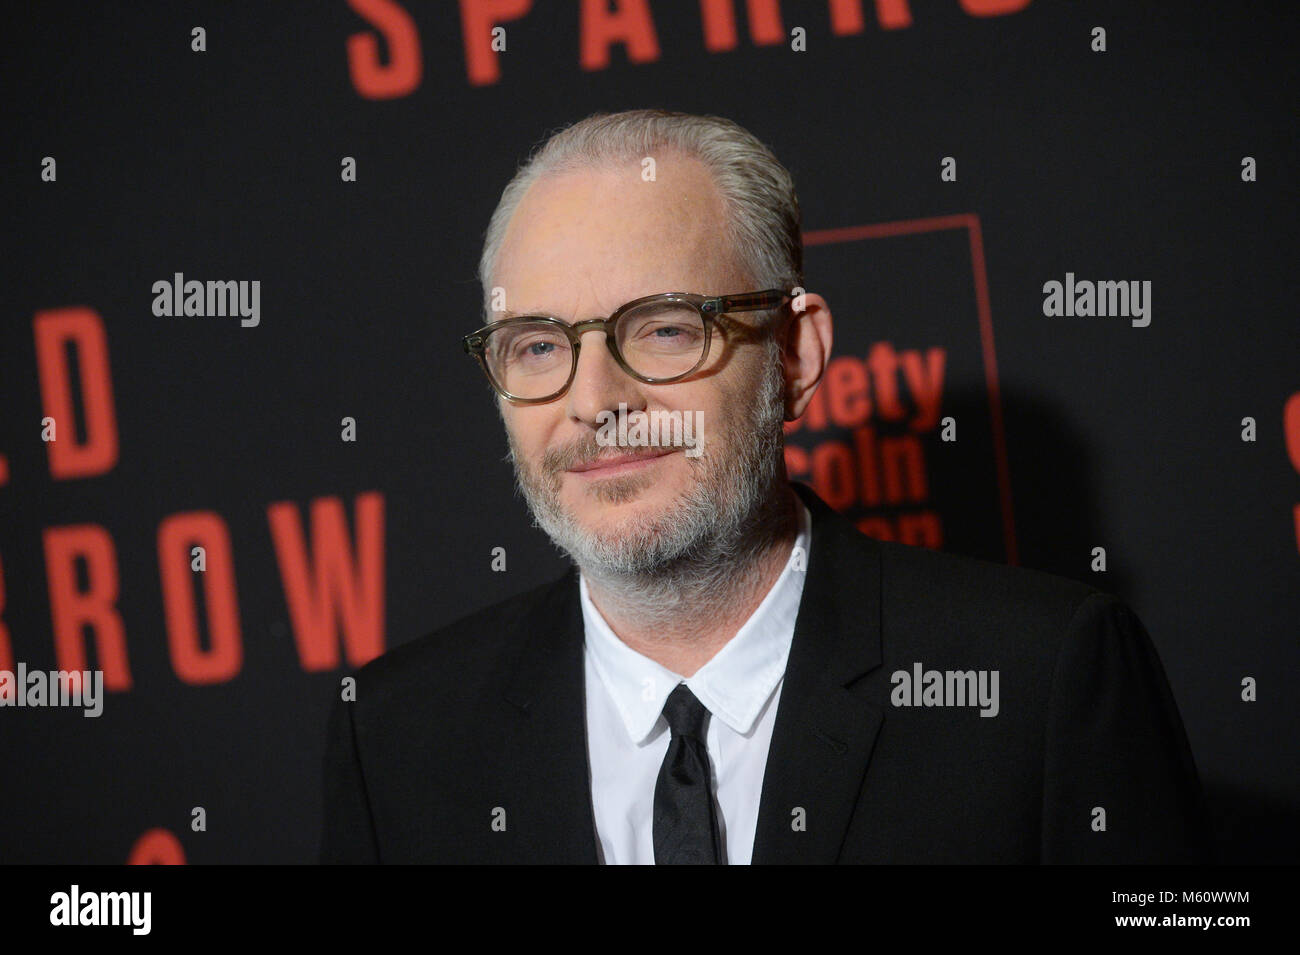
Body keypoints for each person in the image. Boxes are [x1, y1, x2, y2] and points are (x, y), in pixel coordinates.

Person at [319, 109, 1209, 864]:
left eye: (664, 329)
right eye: (540, 346)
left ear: (794, 355)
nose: (594, 404)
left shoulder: (1043, 682)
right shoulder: (399, 737)